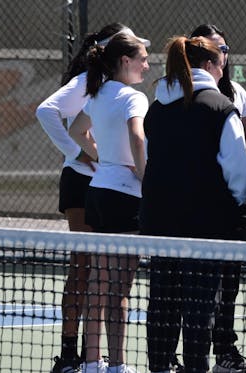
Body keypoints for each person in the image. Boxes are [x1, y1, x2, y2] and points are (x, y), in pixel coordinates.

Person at [141, 36, 246, 373]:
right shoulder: (220, 108)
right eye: (221, 64)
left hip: (161, 224)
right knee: (200, 307)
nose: (223, 71)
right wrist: (235, 204)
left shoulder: (156, 108)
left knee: (162, 303)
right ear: (209, 65)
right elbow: (237, 170)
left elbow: (151, 160)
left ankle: (159, 367)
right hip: (206, 227)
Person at [36, 23, 131, 373]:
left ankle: (97, 357)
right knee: (83, 268)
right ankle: (68, 354)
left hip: (104, 184)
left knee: (102, 272)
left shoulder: (114, 88)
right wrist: (75, 154)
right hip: (80, 182)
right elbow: (45, 111)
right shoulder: (85, 83)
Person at [68, 31, 151, 373]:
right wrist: (146, 177)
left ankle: (91, 363)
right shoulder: (134, 98)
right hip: (124, 198)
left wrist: (105, 158)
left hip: (98, 193)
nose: (147, 65)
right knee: (119, 288)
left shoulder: (99, 94)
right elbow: (137, 136)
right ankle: (116, 365)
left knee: (99, 283)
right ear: (125, 62)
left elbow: (76, 131)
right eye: (143, 59)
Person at [188, 24, 246, 373]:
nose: (222, 56)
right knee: (191, 289)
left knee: (228, 283)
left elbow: (239, 146)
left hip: (226, 208)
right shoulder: (175, 93)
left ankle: (225, 351)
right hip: (193, 209)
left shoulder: (237, 95)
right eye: (216, 50)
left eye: (225, 49)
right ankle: (180, 357)